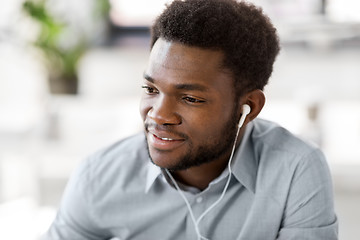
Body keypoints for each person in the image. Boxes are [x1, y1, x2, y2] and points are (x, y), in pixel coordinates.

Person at [43, 0, 338, 239]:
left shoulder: (295, 169)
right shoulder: (98, 176)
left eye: (190, 98)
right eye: (151, 89)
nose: (159, 114)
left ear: (248, 107)